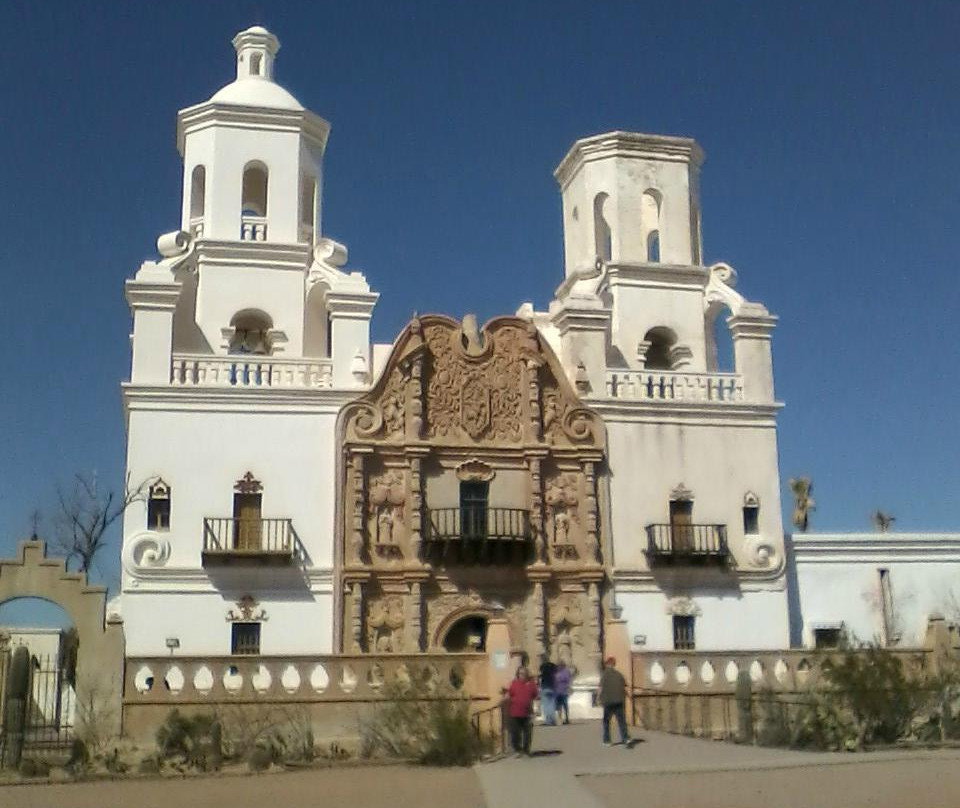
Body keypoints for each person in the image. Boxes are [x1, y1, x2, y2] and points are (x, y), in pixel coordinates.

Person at [597, 656, 631, 746]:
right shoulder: (619, 674)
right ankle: (625, 738)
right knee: (621, 721)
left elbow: (600, 688)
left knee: (606, 722)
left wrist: (598, 698)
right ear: (614, 664)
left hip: (608, 701)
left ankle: (607, 740)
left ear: (607, 664)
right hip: (619, 701)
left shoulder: (604, 675)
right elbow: (625, 686)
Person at [506, 666, 539, 757]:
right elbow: (509, 695)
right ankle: (518, 749)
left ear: (527, 674)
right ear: (518, 675)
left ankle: (526, 750)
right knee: (515, 733)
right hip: (514, 713)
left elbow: (536, 697)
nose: (522, 676)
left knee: (527, 733)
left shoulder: (531, 685)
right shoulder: (514, 684)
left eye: (524, 674)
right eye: (521, 674)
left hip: (527, 713)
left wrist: (536, 710)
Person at [538, 656, 558, 725]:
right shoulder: (553, 666)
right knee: (552, 705)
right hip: (552, 687)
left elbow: (541, 675)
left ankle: (548, 721)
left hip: (545, 687)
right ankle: (553, 720)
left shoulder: (542, 667)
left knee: (546, 705)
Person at [554, 660, 572, 724]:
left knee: (565, 705)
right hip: (557, 691)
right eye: (558, 665)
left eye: (559, 665)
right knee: (559, 706)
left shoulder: (566, 672)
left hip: (564, 691)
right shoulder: (556, 672)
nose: (558, 667)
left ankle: (566, 718)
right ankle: (560, 718)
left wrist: (568, 688)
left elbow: (568, 680)